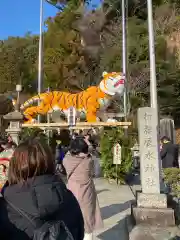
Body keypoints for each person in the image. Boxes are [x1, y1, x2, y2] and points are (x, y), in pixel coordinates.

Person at [2, 138, 84, 240]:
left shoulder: (6, 208)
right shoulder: (68, 198)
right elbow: (78, 233)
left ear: (14, 167)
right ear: (50, 162)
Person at [63, 137, 103, 240]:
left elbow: (69, 152)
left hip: (71, 191)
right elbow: (95, 173)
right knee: (88, 222)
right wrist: (87, 141)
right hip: (86, 193)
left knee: (74, 220)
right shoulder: (88, 160)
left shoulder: (66, 160)